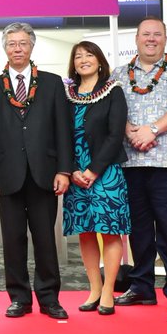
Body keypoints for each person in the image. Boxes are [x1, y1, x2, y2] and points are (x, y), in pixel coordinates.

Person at [0, 23, 73, 320]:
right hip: (8, 175)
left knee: (46, 238)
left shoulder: (53, 83)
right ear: (4, 48)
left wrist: (64, 170)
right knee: (13, 239)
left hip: (46, 172)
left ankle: (49, 298)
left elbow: (63, 130)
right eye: (11, 44)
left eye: (22, 43)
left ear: (32, 47)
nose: (17, 48)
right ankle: (19, 297)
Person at [111, 17, 167, 314]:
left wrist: (152, 129)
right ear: (136, 39)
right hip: (132, 162)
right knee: (137, 229)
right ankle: (141, 286)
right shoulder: (118, 74)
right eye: (145, 34)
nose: (151, 39)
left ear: (165, 39)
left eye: (157, 35)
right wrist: (130, 132)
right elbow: (111, 111)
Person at [62, 41, 129, 315]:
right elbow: (60, 135)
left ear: (99, 61)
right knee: (86, 232)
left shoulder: (113, 91)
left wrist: (93, 170)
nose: (83, 60)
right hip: (75, 175)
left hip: (106, 173)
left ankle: (109, 292)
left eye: (89, 55)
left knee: (110, 232)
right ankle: (94, 288)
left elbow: (115, 135)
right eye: (78, 56)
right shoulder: (66, 94)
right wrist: (72, 169)